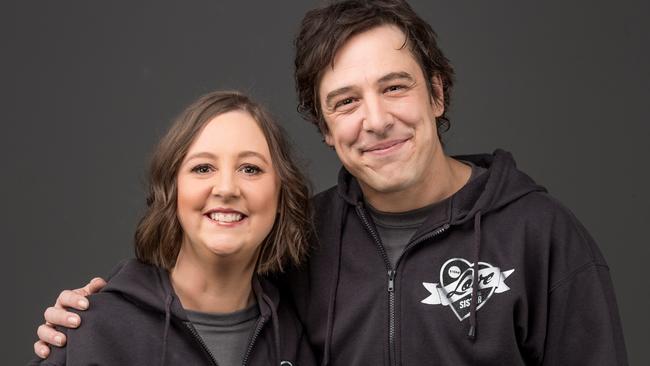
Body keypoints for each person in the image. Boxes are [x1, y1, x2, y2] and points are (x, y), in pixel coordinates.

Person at [34, 1, 628, 365]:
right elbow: (202, 283)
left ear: (438, 90)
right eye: (346, 102)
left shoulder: (540, 237)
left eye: (395, 86)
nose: (374, 119)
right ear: (324, 128)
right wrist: (95, 313)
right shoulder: (299, 243)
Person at [29, 91, 316, 366]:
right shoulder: (95, 328)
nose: (227, 188)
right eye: (203, 168)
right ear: (172, 191)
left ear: (281, 194)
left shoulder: (299, 338)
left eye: (250, 169)